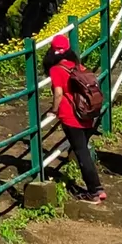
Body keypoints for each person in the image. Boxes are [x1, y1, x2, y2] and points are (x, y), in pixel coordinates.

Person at [44, 34, 106, 203]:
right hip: (86, 114)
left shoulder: (56, 69)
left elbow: (58, 93)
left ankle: (94, 191)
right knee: (83, 149)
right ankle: (98, 189)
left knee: (81, 153)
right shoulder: (78, 66)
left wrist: (53, 110)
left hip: (71, 116)